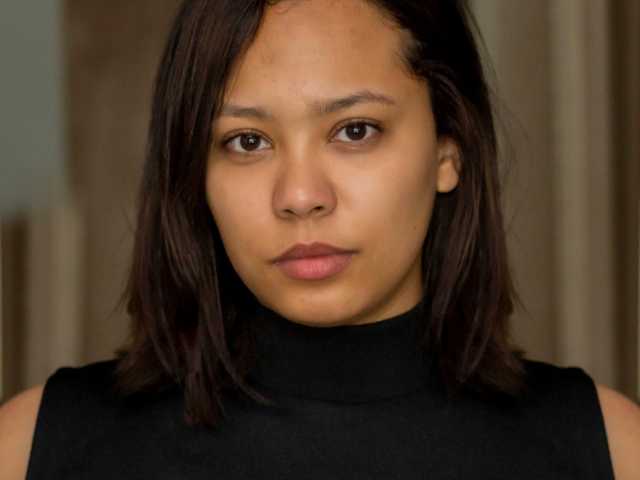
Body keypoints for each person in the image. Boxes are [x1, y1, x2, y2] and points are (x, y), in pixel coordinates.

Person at [2, 0, 639, 478]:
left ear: (449, 150)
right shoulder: (34, 448)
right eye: (247, 142)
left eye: (355, 131)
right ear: (196, 175)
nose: (301, 194)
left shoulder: (608, 449)